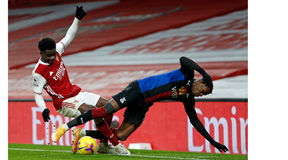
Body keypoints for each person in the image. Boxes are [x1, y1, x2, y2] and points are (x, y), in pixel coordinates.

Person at [52, 56, 229, 153]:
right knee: (104, 110)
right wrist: (205, 73)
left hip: (144, 103)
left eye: (203, 95)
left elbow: (194, 120)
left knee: (122, 135)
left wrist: (212, 141)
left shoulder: (187, 97)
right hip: (137, 90)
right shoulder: (187, 74)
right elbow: (184, 59)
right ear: (200, 82)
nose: (200, 95)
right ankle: (67, 127)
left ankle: (82, 133)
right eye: (202, 91)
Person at [31, 6, 129, 155]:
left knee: (108, 107)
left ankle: (102, 145)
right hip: (63, 102)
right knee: (93, 112)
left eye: (53, 54)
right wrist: (43, 108)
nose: (52, 58)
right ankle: (116, 145)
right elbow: (37, 93)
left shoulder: (56, 50)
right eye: (48, 56)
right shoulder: (38, 72)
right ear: (41, 53)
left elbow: (69, 36)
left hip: (76, 93)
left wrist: (77, 19)